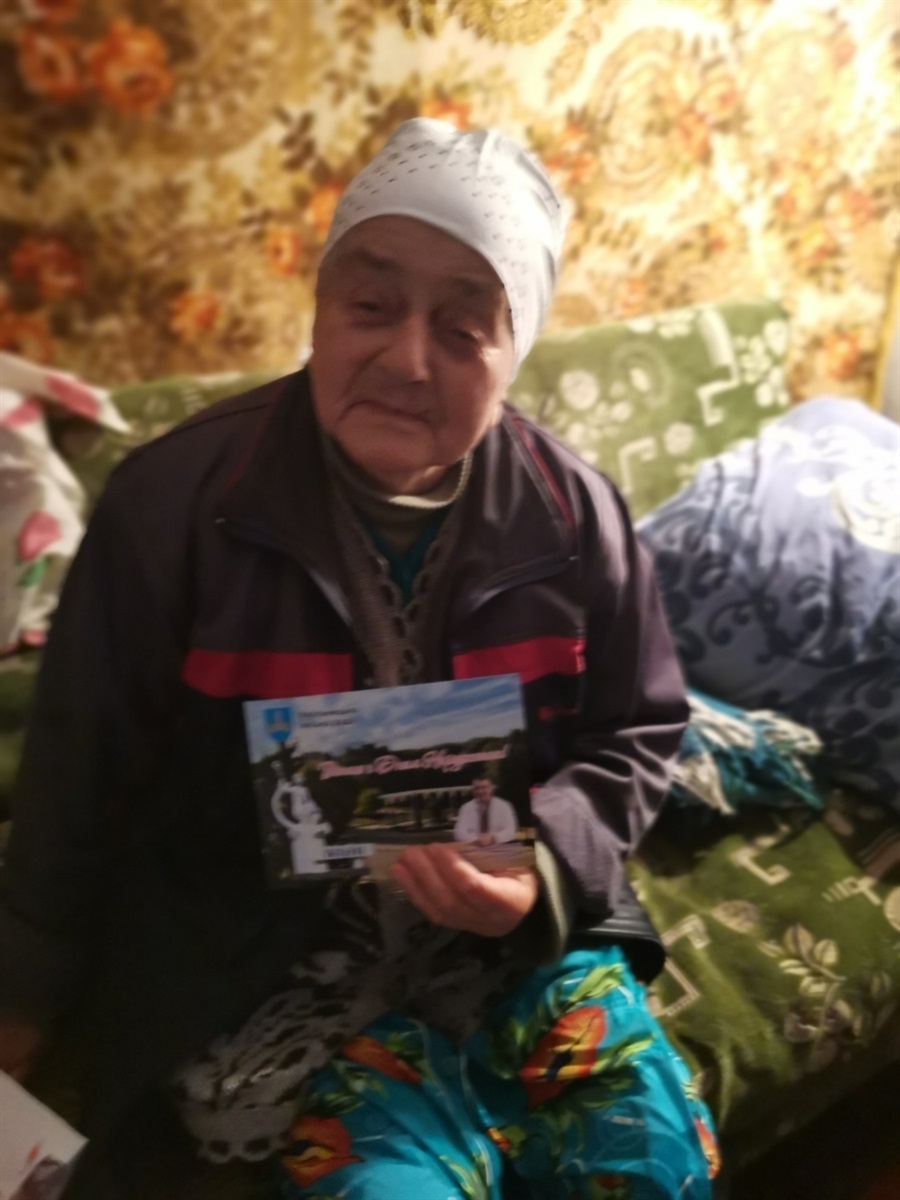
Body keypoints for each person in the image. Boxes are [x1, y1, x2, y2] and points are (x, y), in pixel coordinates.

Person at [0, 119, 719, 1196]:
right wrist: (25, 995)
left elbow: (638, 728)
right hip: (264, 960)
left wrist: (542, 870)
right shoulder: (173, 507)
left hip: (514, 943)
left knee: (652, 1167)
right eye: (370, 306)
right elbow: (76, 777)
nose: (407, 359)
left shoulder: (576, 514)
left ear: (515, 351)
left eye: (464, 327)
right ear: (321, 308)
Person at [453, 776, 518, 845]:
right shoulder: (466, 808)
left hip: (499, 846)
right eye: (477, 788)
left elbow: (511, 831)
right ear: (473, 790)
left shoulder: (504, 806)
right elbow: (459, 833)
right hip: (474, 846)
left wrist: (493, 838)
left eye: (484, 787)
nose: (480, 791)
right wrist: (478, 840)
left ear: (492, 788)